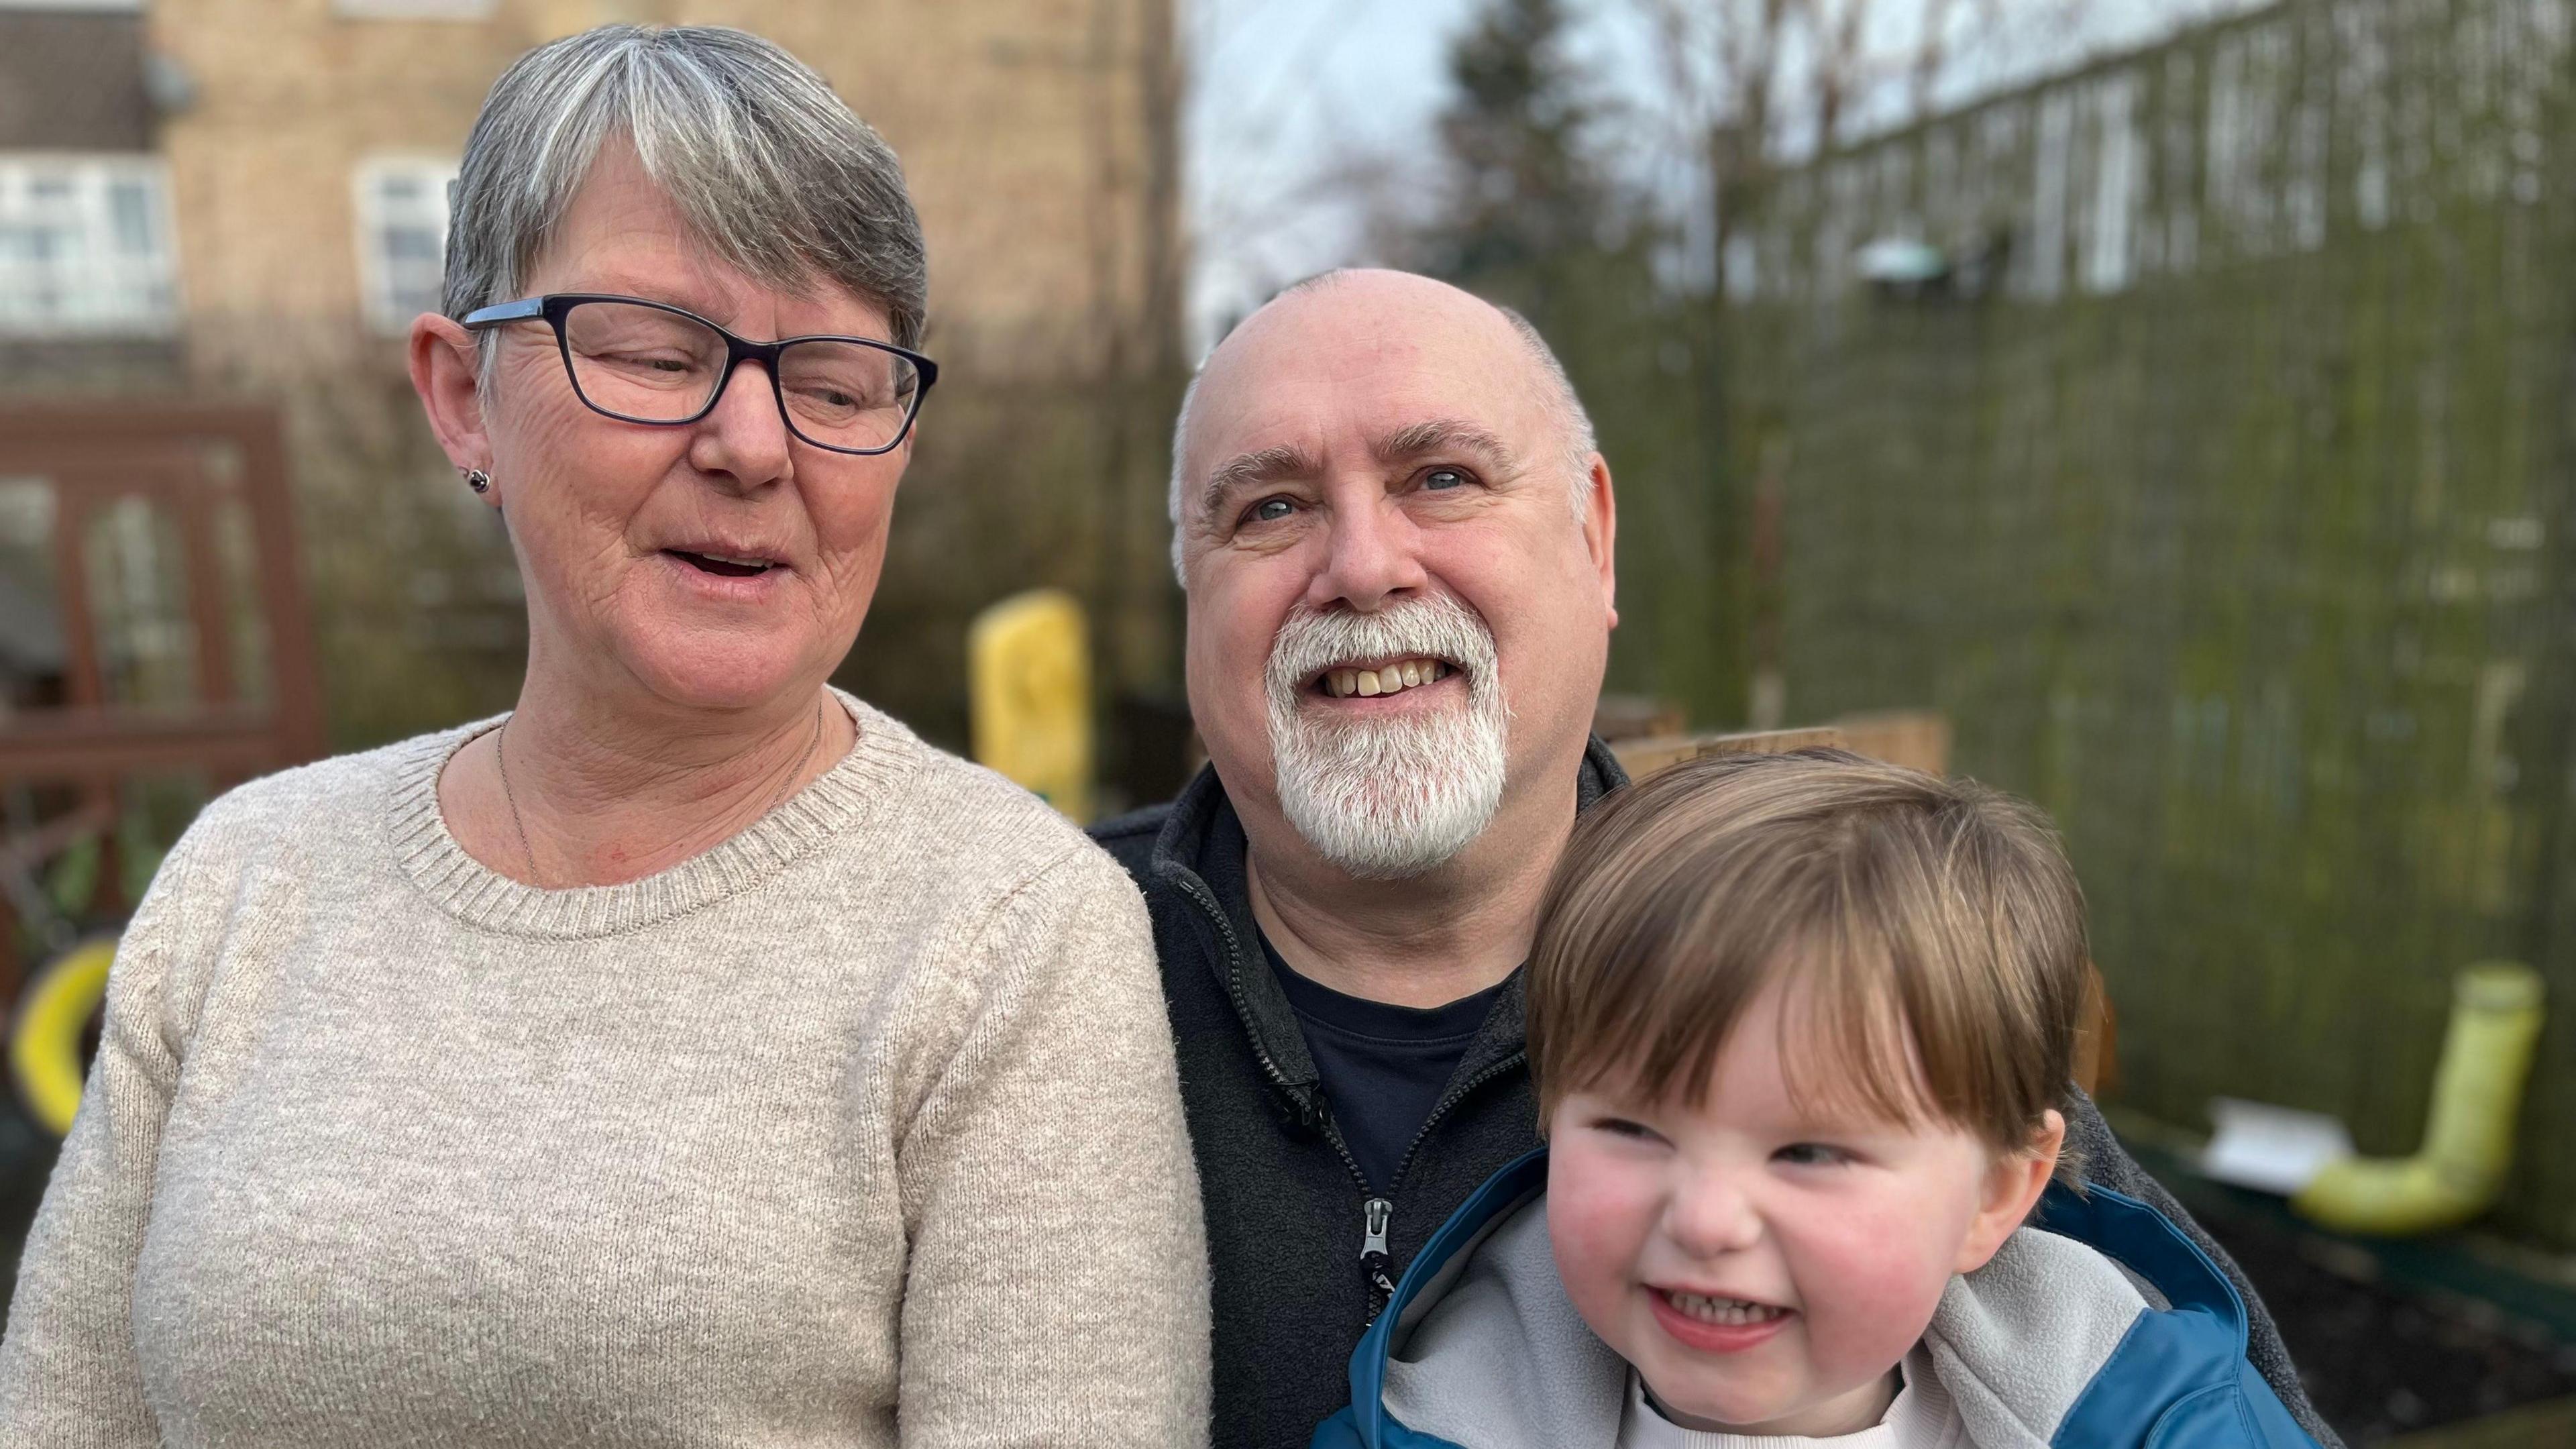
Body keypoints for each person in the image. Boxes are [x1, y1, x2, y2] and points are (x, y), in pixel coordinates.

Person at [0, 25, 1208, 1448]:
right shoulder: (248, 882)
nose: (756, 445)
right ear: (464, 399)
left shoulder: (1009, 929)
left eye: (833, 383)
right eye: (652, 353)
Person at [1090, 267, 2335, 1449]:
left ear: (1595, 537)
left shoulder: (1847, 953)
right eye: (1271, 508)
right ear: (1192, 586)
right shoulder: (1026, 967)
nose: (1363, 568)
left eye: (1444, 477)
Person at [1313, 750, 2320, 1448]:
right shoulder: (1430, 1420)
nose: (1705, 1220)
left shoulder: (2155, 1410)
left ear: (1996, 1195)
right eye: (1629, 1128)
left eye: (1808, 1153)